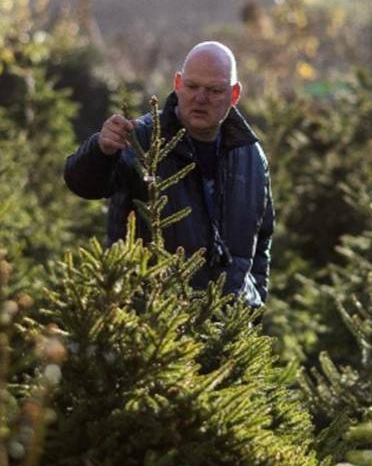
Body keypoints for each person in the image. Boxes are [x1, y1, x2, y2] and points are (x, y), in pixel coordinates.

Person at [63, 41, 274, 306]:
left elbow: (261, 240)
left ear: (234, 95)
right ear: (177, 83)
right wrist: (100, 150)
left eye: (214, 90)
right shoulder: (140, 138)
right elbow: (83, 184)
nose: (200, 98)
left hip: (226, 329)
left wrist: (254, 303)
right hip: (151, 324)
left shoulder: (251, 156)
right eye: (192, 86)